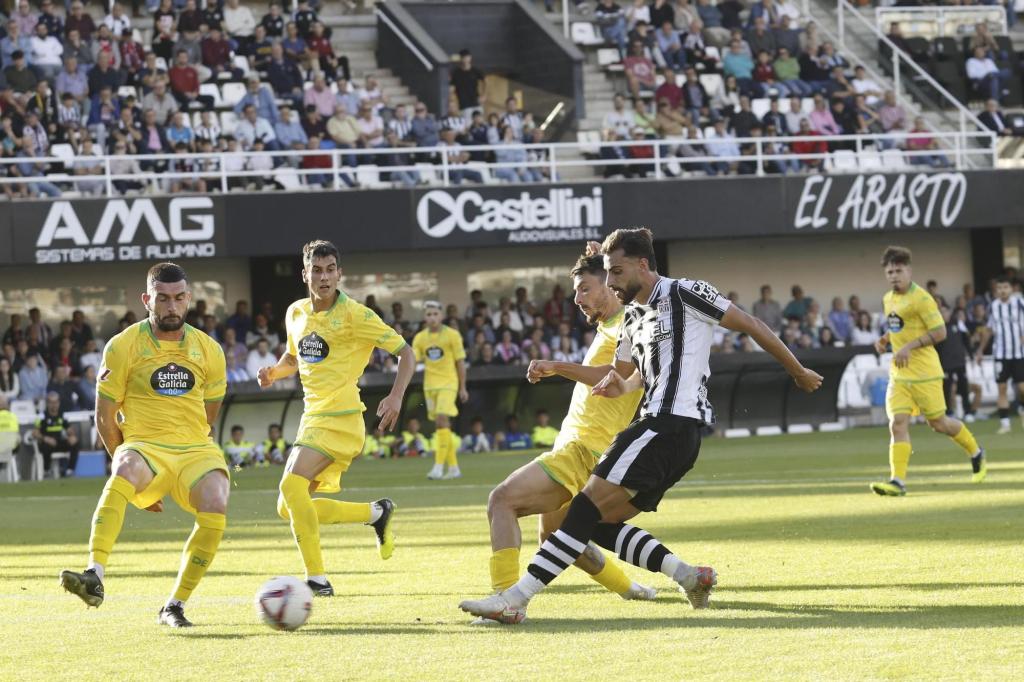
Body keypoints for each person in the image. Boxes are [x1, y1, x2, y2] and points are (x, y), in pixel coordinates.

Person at [460, 228, 823, 623]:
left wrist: (798, 370)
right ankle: (687, 575)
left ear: (643, 265)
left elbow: (750, 323)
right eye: (608, 274)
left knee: (579, 510)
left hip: (668, 424)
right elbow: (627, 379)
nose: (612, 282)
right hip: (666, 435)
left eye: (616, 273)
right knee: (597, 523)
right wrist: (613, 383)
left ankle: (514, 599)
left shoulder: (686, 292)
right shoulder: (632, 318)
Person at [59, 262, 230, 628]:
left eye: (179, 298)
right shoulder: (122, 346)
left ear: (189, 299)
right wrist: (130, 467)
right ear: (146, 300)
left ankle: (175, 605)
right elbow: (105, 417)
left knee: (217, 499)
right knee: (124, 468)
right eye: (163, 298)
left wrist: (193, 444)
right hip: (144, 447)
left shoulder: (209, 349)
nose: (172, 306)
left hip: (194, 449)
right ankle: (95, 573)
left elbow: (209, 413)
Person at [256, 240, 415, 597]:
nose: (324, 277)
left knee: (290, 488)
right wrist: (274, 374)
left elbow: (406, 353)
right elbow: (292, 358)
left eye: (330, 270)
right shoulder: (295, 312)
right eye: (317, 270)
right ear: (305, 274)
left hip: (341, 418)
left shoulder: (356, 315)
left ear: (340, 274)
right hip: (312, 418)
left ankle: (317, 580)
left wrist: (395, 396)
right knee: (290, 507)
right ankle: (375, 513)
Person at [869, 247, 986, 497]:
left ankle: (976, 452)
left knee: (939, 424)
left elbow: (940, 332)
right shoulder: (888, 298)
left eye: (899, 270)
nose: (894, 276)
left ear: (909, 270)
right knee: (897, 424)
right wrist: (885, 339)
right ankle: (897, 482)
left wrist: (909, 347)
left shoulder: (922, 299)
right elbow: (898, 327)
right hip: (900, 374)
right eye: (889, 271)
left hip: (926, 374)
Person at [413, 301, 469, 481]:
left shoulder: (452, 335)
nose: (432, 317)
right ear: (425, 317)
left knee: (442, 418)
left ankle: (437, 467)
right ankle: (453, 468)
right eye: (428, 314)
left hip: (448, 384)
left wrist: (463, 387)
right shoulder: (420, 338)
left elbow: (460, 362)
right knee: (440, 425)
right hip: (430, 386)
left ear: (441, 316)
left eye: (435, 314)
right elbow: (413, 360)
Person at [974, 276, 1024, 434]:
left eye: (1005, 288)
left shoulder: (1020, 303)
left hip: (1019, 354)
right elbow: (988, 330)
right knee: (1001, 388)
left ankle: (1021, 409)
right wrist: (980, 350)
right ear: (996, 291)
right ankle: (1005, 424)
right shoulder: (993, 306)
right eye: (999, 288)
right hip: (1000, 355)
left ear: (1012, 289)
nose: (1002, 291)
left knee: (1022, 388)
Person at [33, 391, 80, 477]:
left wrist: (71, 434)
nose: (54, 405)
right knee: (47, 446)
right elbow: (35, 433)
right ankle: (46, 470)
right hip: (46, 443)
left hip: (58, 442)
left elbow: (69, 430)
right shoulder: (42, 416)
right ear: (47, 403)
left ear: (59, 403)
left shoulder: (62, 416)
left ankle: (70, 470)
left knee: (74, 442)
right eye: (51, 402)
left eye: (56, 402)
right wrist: (45, 438)